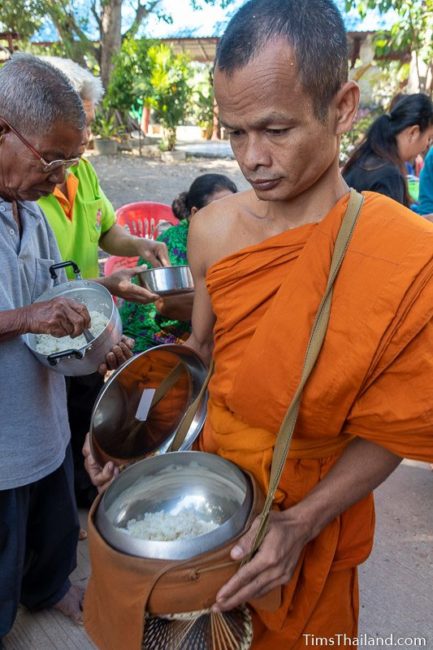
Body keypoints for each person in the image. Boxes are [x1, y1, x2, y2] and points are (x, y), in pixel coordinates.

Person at [84, 1, 433, 648]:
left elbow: (393, 428)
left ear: (342, 105)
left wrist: (300, 524)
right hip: (212, 504)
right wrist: (132, 441)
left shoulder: (401, 254)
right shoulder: (213, 230)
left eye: (275, 129)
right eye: (234, 132)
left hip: (318, 506)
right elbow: (200, 355)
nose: (252, 158)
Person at [0, 54, 134, 647]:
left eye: (70, 165)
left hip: (42, 420)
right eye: (52, 161)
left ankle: (50, 586)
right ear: (4, 129)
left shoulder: (32, 214)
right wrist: (30, 315)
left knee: (53, 527)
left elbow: (54, 297)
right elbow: (32, 313)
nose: (60, 180)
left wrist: (99, 334)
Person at [35, 57, 169, 509]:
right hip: (45, 333)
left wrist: (139, 244)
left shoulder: (84, 171)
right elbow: (32, 290)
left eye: (87, 128)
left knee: (87, 408)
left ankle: (79, 497)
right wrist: (108, 287)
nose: (84, 141)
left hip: (88, 323)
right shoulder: (24, 187)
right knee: (51, 421)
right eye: (74, 130)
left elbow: (106, 227)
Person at [120, 173, 238, 353]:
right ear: (195, 214)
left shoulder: (227, 237)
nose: (228, 218)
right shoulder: (173, 246)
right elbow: (168, 306)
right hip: (149, 335)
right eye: (218, 211)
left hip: (193, 332)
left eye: (233, 209)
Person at [343, 93, 433, 206]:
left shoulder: (365, 159)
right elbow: (391, 223)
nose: (427, 146)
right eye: (429, 138)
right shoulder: (389, 177)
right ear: (413, 133)